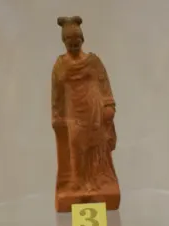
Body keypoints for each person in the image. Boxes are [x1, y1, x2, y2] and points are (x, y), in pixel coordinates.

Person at [51, 16, 121, 212]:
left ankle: (96, 181)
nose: (74, 46)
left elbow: (103, 83)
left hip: (94, 110)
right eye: (70, 43)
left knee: (96, 147)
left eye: (77, 42)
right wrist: (56, 115)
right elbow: (56, 93)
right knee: (76, 145)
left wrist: (109, 105)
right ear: (64, 42)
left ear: (82, 40)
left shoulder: (93, 61)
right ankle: (78, 181)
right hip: (73, 112)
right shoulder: (60, 65)